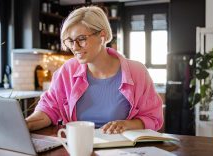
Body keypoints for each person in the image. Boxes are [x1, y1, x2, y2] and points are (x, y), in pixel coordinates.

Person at [25, 6, 163, 134]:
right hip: (78, 148)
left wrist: (127, 125)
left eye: (81, 39)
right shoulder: (67, 71)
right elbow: (48, 109)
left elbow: (154, 118)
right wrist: (25, 124)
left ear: (102, 36)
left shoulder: (137, 72)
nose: (75, 47)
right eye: (70, 41)